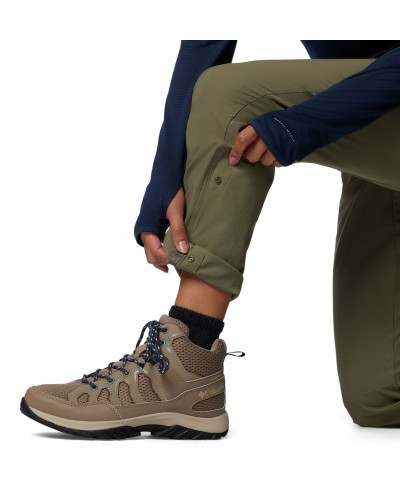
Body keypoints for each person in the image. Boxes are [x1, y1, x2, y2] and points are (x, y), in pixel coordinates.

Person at [21, 41, 400, 439]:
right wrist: (166, 175)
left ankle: (181, 367)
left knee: (233, 97)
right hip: (377, 119)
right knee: (379, 395)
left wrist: (301, 124)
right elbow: (206, 37)